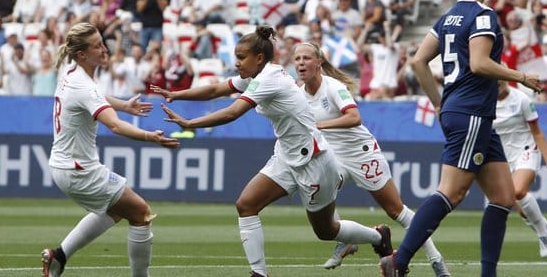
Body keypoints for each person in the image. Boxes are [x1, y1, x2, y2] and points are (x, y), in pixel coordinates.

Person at [152, 26, 393, 277]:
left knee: (326, 231)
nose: (236, 63)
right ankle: (259, 273)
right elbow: (216, 90)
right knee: (246, 204)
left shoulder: (270, 78)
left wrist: (191, 124)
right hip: (286, 156)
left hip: (314, 160)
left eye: (241, 57)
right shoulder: (255, 77)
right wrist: (176, 94)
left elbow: (233, 112)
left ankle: (378, 236)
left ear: (259, 58)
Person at [379, 0, 543, 277]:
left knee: (503, 197)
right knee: (451, 194)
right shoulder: (483, 16)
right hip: (471, 113)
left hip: (468, 113)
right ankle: (398, 260)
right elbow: (480, 64)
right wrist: (521, 76)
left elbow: (419, 62)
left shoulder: (449, 17)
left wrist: (440, 105)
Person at [293, 42, 450, 276]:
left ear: (319, 63)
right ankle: (346, 239)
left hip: (360, 152)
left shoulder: (333, 87)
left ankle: (437, 260)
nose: (301, 63)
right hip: (333, 156)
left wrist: (319, 125)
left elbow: (354, 117)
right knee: (321, 193)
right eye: (297, 59)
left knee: (396, 210)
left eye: (306, 58)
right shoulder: (298, 93)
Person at [41, 22, 180, 277]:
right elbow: (114, 126)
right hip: (79, 169)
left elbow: (96, 97)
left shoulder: (73, 74)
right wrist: (150, 136)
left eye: (103, 43)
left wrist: (124, 106)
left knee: (116, 210)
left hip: (66, 166)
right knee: (140, 211)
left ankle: (58, 256)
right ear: (82, 54)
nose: (105, 50)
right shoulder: (84, 85)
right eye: (97, 46)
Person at [493, 79, 547, 260]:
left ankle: (543, 236)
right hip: (504, 158)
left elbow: (537, 132)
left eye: (499, 82)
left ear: (505, 80)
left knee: (518, 191)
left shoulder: (522, 100)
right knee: (521, 210)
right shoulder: (485, 101)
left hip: (526, 150)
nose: (496, 86)